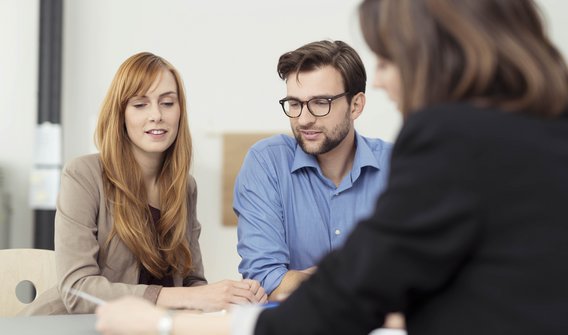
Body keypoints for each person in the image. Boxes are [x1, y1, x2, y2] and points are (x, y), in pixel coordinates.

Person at [95, 0, 568, 334]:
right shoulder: (546, 129)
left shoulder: (444, 141)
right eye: (294, 104)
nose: (383, 77)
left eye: (389, 58)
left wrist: (163, 325)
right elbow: (275, 279)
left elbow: (352, 294)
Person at [21, 52, 266, 315]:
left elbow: (191, 282)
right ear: (121, 114)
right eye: (140, 105)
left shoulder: (184, 187)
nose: (156, 115)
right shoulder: (83, 175)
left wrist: (231, 297)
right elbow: (77, 290)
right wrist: (190, 296)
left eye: (168, 103)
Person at [235, 40, 392, 300]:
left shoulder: (395, 167)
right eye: (294, 103)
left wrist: (302, 280)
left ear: (356, 105)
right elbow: (265, 280)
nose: (304, 119)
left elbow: (419, 273)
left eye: (321, 102)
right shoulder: (266, 163)